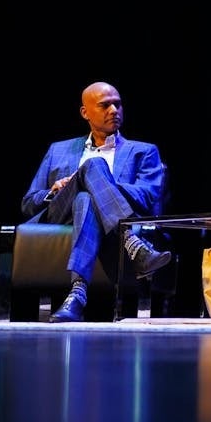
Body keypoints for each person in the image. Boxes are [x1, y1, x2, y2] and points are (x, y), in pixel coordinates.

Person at [20, 81, 171, 323]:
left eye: (118, 104)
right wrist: (54, 190)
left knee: (86, 194)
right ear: (85, 112)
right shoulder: (58, 150)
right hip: (61, 215)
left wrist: (95, 182)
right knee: (91, 169)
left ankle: (77, 293)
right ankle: (132, 242)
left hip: (93, 214)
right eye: (105, 105)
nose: (114, 110)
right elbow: (28, 203)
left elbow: (147, 196)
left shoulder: (144, 151)